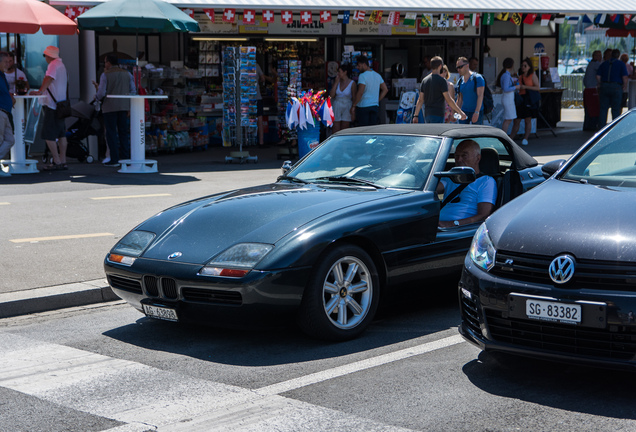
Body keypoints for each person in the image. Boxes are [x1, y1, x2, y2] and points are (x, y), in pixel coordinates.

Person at [437, 139, 497, 228]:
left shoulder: (486, 181)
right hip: (438, 225)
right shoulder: (449, 177)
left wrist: (451, 224)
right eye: (456, 156)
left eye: (464, 156)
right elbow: (432, 189)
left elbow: (483, 215)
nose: (459, 159)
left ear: (478, 158)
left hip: (460, 229)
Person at [93, 54, 135, 167]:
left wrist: (96, 98)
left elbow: (101, 93)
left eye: (105, 62)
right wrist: (129, 105)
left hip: (109, 107)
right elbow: (133, 90)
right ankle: (125, 158)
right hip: (124, 106)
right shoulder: (127, 74)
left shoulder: (105, 75)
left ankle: (115, 159)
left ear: (109, 63)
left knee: (111, 133)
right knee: (123, 133)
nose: (104, 65)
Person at [31, 46, 68, 170]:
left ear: (49, 55)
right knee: (61, 134)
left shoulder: (53, 65)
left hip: (52, 105)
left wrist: (40, 91)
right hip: (61, 104)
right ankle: (63, 160)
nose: (45, 58)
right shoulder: (61, 65)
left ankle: (56, 161)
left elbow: (49, 78)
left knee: (48, 134)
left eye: (45, 55)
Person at [412, 56, 465, 124]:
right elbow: (449, 99)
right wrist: (460, 112)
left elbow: (420, 100)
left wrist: (415, 115)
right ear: (440, 66)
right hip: (438, 113)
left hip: (427, 113)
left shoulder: (424, 80)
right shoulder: (442, 81)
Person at [351, 55, 388, 126]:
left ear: (364, 64)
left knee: (363, 129)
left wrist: (354, 105)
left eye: (359, 66)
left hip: (363, 106)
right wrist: (377, 100)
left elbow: (360, 92)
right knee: (372, 129)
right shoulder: (377, 75)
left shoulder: (362, 76)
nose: (357, 68)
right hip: (374, 106)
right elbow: (385, 89)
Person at [510, 58, 540, 145]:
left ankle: (526, 138)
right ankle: (511, 138)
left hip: (528, 99)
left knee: (528, 120)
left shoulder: (532, 75)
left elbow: (537, 87)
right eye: (522, 65)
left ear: (529, 67)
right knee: (517, 120)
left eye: (525, 66)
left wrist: (526, 87)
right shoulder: (520, 76)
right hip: (521, 99)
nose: (523, 67)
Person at [597, 49, 628, 128]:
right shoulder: (621, 64)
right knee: (616, 109)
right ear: (618, 56)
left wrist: (600, 84)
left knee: (603, 109)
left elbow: (598, 76)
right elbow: (624, 77)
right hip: (616, 87)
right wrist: (624, 85)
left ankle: (601, 128)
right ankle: (615, 128)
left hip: (604, 86)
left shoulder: (604, 64)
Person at [455, 56, 485, 125]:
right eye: (457, 68)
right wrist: (456, 112)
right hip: (464, 112)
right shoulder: (459, 81)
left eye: (460, 67)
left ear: (467, 65)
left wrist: (476, 112)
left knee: (476, 133)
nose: (458, 70)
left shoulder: (478, 78)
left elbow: (480, 96)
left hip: (476, 111)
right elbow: (459, 99)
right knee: (463, 133)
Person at [0, 51, 15, 177]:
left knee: (10, 140)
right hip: (1, 111)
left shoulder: (2, 75)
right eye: (5, 62)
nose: (8, 64)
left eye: (9, 61)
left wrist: (10, 98)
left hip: (5, 111)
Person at [496, 57, 520, 136]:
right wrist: (516, 87)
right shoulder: (506, 75)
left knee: (508, 119)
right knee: (508, 119)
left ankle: (504, 136)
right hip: (508, 98)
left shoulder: (506, 74)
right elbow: (506, 88)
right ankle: (504, 136)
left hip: (507, 98)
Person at [329, 64, 356, 133]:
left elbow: (354, 97)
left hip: (347, 105)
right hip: (337, 104)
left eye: (339, 72)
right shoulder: (337, 82)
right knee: (335, 127)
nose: (338, 74)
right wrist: (336, 82)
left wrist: (353, 110)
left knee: (345, 128)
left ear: (345, 72)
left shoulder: (352, 83)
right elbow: (331, 95)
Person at [583, 50, 602, 131]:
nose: (601, 57)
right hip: (592, 89)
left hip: (587, 89)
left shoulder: (590, 64)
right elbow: (602, 72)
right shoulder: (596, 64)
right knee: (594, 109)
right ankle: (593, 125)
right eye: (599, 56)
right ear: (595, 56)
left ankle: (587, 125)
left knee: (588, 110)